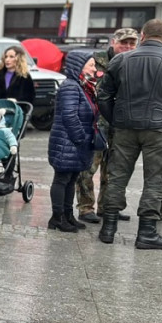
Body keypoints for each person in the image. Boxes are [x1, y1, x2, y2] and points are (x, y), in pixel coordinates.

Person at [97, 19, 162, 249]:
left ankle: (108, 228)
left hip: (125, 127)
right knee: (157, 180)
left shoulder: (121, 59)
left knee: (117, 176)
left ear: (142, 35)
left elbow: (102, 94)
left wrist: (116, 119)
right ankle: (147, 233)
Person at [76, 28, 138, 223]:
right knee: (89, 167)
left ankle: (107, 206)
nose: (127, 47)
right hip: (97, 123)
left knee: (114, 169)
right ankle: (86, 208)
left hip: (121, 125)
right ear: (113, 42)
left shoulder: (137, 62)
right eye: (124, 43)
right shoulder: (95, 60)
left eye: (132, 43)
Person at [47, 52, 99, 233]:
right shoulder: (71, 86)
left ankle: (68, 215)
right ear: (79, 66)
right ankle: (57, 217)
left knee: (71, 179)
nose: (95, 69)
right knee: (62, 179)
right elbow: (69, 116)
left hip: (76, 143)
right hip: (68, 141)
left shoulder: (83, 87)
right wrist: (80, 138)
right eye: (91, 65)